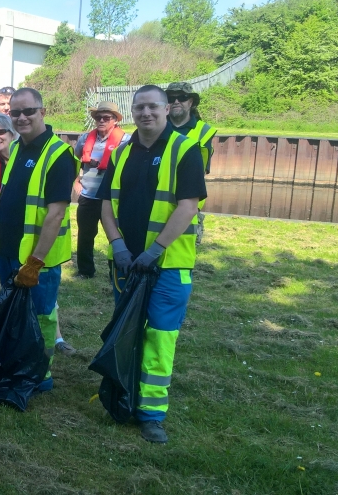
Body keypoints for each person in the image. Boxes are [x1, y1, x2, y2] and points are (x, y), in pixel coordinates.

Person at [98, 85, 206, 444]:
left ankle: (152, 414)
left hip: (169, 265)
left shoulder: (185, 149)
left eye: (153, 107)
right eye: (139, 107)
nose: (146, 113)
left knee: (160, 337)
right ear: (132, 111)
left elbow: (188, 206)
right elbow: (105, 203)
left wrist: (154, 250)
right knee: (127, 332)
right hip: (127, 263)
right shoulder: (123, 152)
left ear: (166, 109)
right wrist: (117, 246)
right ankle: (124, 396)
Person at [0, 88, 78, 392]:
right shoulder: (17, 149)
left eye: (28, 111)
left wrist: (36, 261)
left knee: (41, 316)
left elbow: (55, 215)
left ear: (43, 111)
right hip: (10, 249)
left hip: (38, 258)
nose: (22, 117)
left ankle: (41, 373)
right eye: (16, 113)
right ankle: (19, 363)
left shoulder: (59, 155)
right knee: (15, 312)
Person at [73, 101, 128, 279]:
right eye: (98, 117)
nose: (102, 120)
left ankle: (117, 271)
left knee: (117, 236)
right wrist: (76, 180)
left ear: (115, 120)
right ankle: (85, 271)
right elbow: (77, 160)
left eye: (106, 117)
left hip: (112, 198)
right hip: (88, 195)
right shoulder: (84, 139)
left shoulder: (125, 141)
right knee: (85, 236)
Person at [165, 82, 216, 244]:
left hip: (187, 201)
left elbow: (200, 172)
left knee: (182, 250)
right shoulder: (156, 127)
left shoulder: (204, 131)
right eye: (171, 98)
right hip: (155, 198)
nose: (176, 101)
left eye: (182, 97)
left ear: (191, 102)